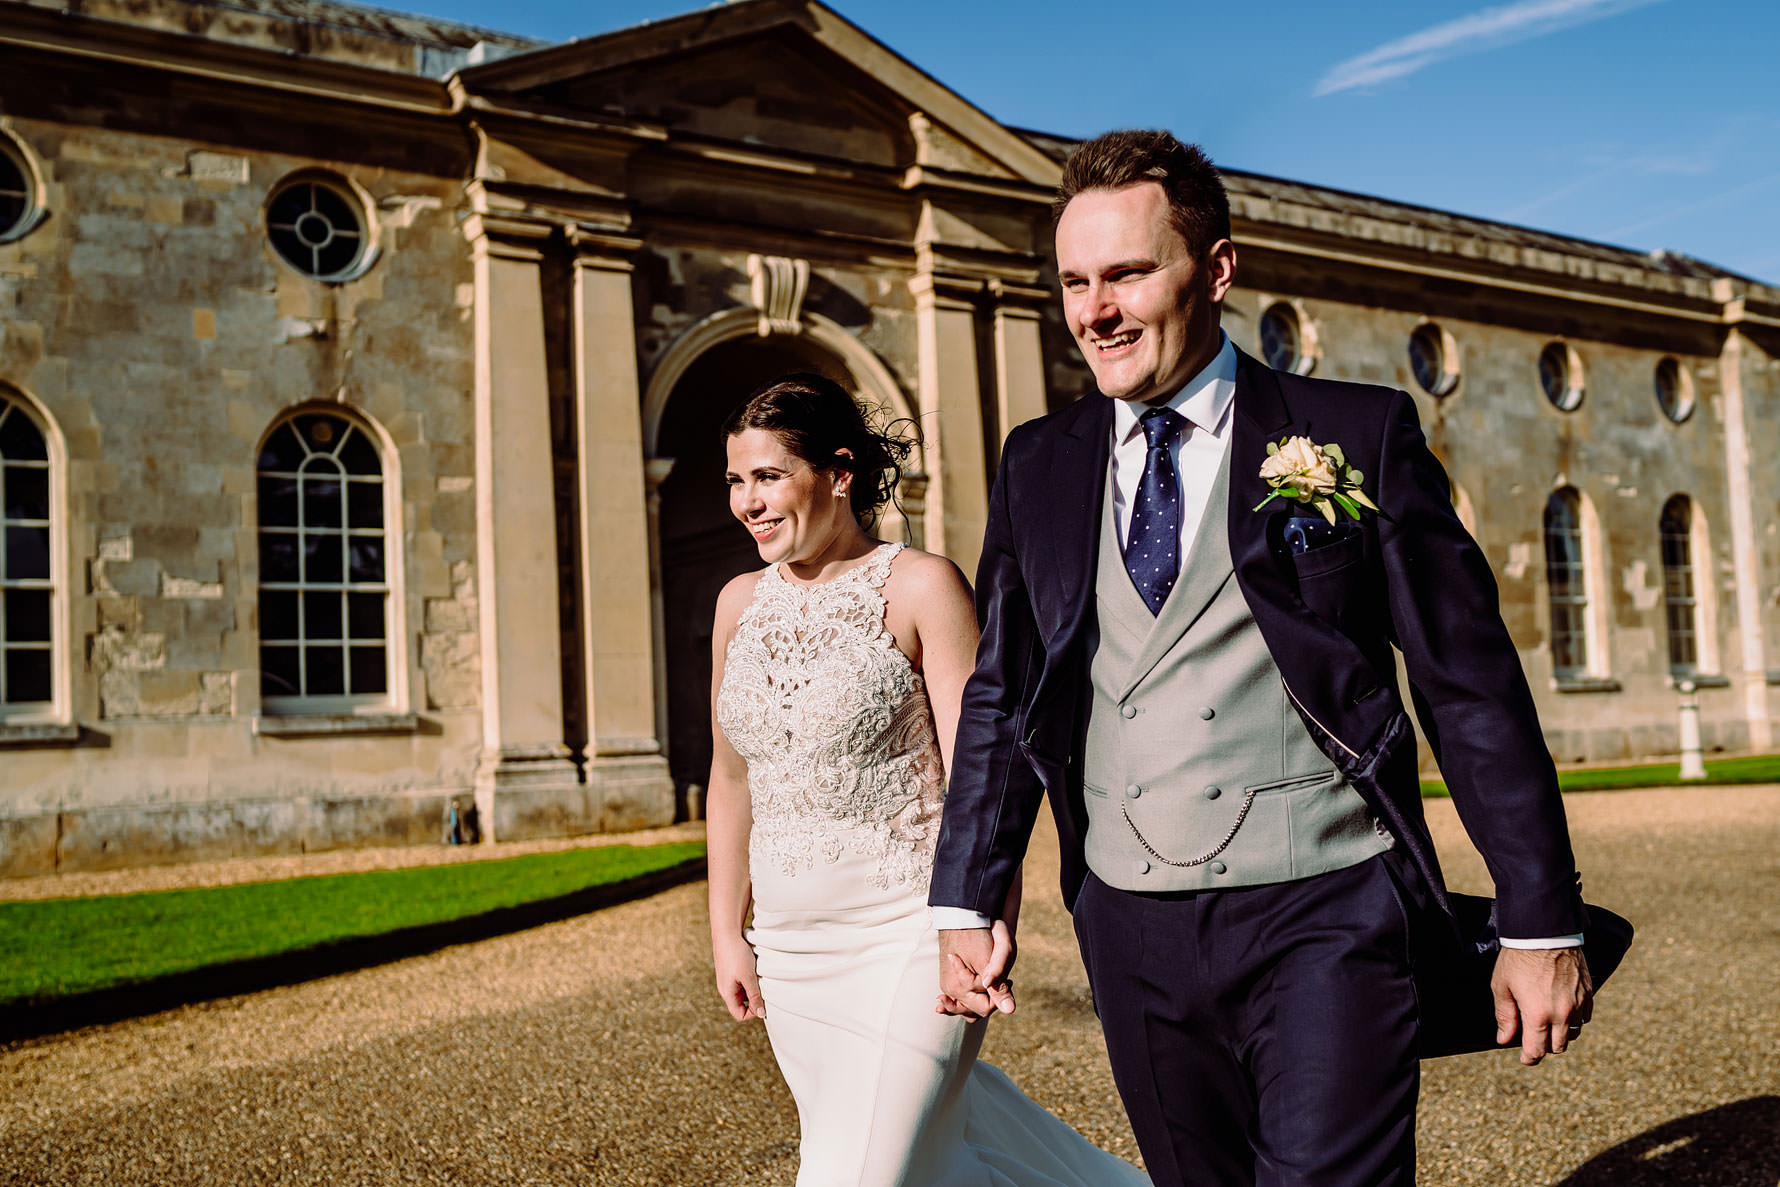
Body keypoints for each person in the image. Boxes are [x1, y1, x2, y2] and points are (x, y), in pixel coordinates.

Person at [929, 130, 1595, 1187]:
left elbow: (1466, 684)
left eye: (1128, 273)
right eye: (1073, 282)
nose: (1094, 310)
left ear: (1219, 269)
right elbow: (1008, 689)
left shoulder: (1352, 436)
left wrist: (1539, 914)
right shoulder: (1037, 463)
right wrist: (968, 895)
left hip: (1324, 908)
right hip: (1126, 920)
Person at [706, 373, 1147, 1187]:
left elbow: (990, 769)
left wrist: (982, 918)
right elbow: (731, 779)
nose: (747, 501)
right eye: (736, 480)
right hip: (794, 955)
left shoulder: (920, 585)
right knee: (928, 1168)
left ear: (838, 472)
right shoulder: (737, 604)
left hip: (908, 935)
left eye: (767, 476)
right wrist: (728, 931)